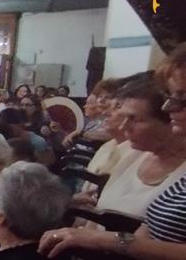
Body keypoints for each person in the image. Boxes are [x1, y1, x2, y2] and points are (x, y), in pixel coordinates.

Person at [40, 43, 186, 260]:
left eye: (181, 98)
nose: (170, 107)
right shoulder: (137, 154)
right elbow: (147, 229)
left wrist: (107, 240)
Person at [79, 78, 186, 217]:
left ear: (170, 122)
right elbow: (100, 210)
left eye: (134, 119)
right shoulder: (131, 154)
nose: (123, 127)